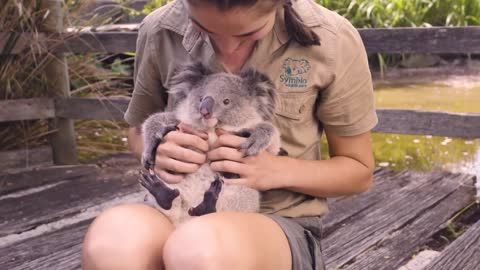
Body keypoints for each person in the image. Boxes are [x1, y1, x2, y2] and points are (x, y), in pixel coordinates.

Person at [81, 0, 378, 269]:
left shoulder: (333, 38)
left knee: (201, 250)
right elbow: (137, 134)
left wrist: (278, 170)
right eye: (202, 29)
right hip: (174, 204)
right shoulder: (159, 30)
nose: (226, 49)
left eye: (247, 35)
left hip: (273, 222)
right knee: (112, 243)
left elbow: (359, 171)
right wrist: (158, 150)